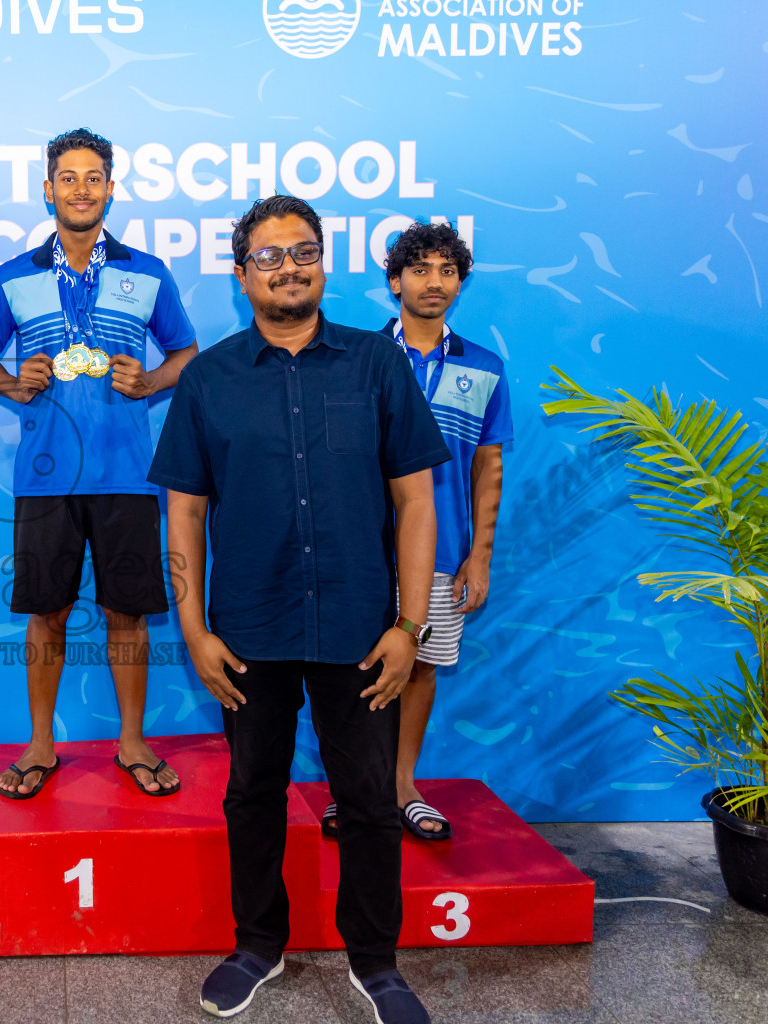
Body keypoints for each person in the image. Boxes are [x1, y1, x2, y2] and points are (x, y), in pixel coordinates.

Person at [148, 195, 449, 1023]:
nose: (289, 266)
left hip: (361, 627)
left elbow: (417, 503)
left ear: (324, 261)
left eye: (303, 250)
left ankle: (377, 962)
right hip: (248, 630)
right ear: (242, 273)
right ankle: (257, 945)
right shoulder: (208, 377)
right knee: (253, 792)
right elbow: (182, 512)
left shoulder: (375, 365)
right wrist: (195, 630)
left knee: (368, 799)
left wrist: (408, 626)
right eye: (270, 255)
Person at [0, 128, 198, 799]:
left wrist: (151, 381)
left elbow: (185, 354)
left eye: (94, 177)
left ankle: (132, 742)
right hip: (45, 477)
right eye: (68, 177)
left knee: (128, 614)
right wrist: (12, 381)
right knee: (48, 612)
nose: (81, 189)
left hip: (127, 474)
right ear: (48, 190)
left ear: (111, 189)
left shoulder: (147, 272)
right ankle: (41, 745)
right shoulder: (13, 276)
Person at [324, 222, 511, 842]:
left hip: (443, 551)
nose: (435, 282)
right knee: (349, 668)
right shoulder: (359, 360)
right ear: (394, 280)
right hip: (360, 553)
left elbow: (488, 467)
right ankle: (352, 790)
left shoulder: (484, 368)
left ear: (461, 282)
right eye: (421, 269)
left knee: (421, 667)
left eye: (448, 271)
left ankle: (402, 787)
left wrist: (478, 557)